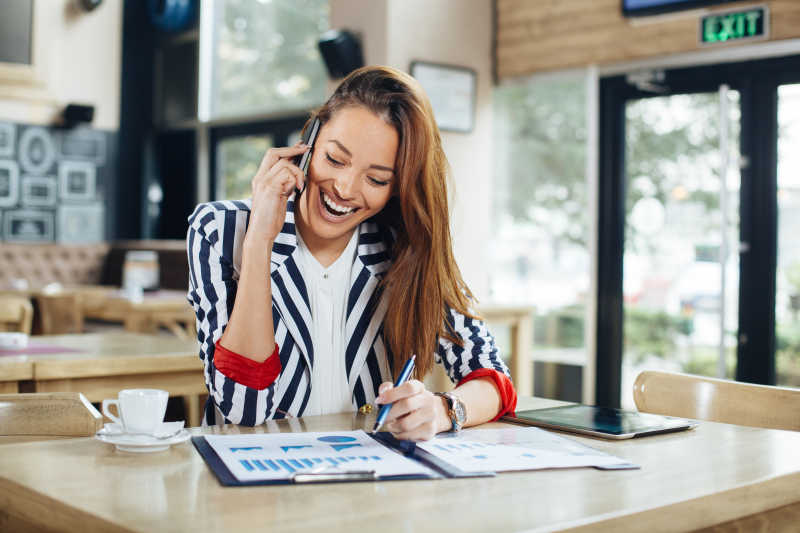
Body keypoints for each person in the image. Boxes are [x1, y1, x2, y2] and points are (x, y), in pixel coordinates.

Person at [187, 65, 516, 440]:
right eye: (335, 159)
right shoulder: (221, 229)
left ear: (397, 188)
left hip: (369, 482)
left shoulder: (402, 245)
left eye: (376, 179)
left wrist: (444, 411)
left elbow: (494, 381)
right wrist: (260, 239)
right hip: (259, 484)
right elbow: (244, 409)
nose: (344, 187)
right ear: (309, 140)